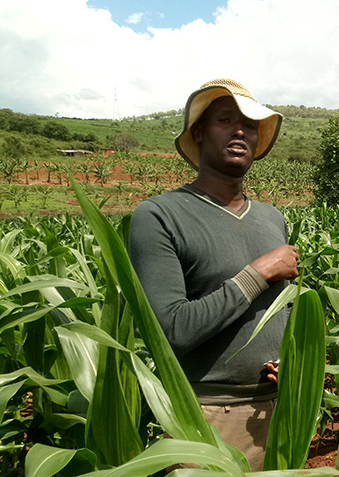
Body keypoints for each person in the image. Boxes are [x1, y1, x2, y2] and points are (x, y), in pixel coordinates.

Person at [128, 79, 299, 471]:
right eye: (225, 119)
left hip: (280, 413)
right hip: (205, 418)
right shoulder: (159, 216)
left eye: (251, 124)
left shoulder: (272, 218)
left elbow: (279, 313)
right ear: (199, 133)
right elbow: (172, 330)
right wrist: (259, 271)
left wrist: (292, 359)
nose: (241, 130)